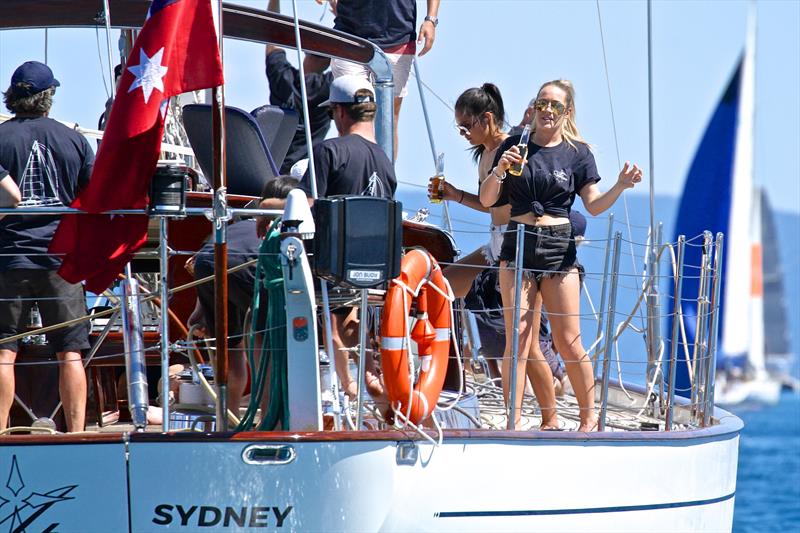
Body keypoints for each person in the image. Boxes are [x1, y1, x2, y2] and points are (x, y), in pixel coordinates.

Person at [480, 79, 642, 431]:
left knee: (568, 340)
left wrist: (620, 185)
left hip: (558, 246)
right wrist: (499, 169)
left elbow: (594, 205)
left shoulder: (577, 153)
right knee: (517, 339)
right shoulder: (514, 146)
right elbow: (487, 199)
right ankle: (515, 419)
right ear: (535, 107)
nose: (547, 111)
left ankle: (588, 420)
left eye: (555, 105)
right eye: (542, 103)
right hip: (518, 243)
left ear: (567, 112)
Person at [258, 75, 396, 402]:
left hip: (331, 271)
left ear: (340, 111)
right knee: (352, 328)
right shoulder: (385, 161)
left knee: (327, 321)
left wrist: (266, 204)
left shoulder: (328, 151)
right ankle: (372, 384)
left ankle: (343, 388)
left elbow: (305, 205)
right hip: (373, 272)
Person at [0, 61, 95, 432]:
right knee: (69, 352)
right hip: (62, 261)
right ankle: (76, 433)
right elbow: (93, 197)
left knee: (4, 352)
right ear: (48, 97)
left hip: (8, 258)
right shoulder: (73, 140)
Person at [188, 176, 299, 412]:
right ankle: (271, 420)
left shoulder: (240, 226)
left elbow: (211, 259)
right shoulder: (288, 230)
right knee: (267, 340)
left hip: (208, 262)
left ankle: (225, 418)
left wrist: (200, 312)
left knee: (230, 348)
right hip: (247, 265)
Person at [319, 0, 440, 159]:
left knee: (389, 117)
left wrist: (431, 19)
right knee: (349, 112)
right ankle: (351, 175)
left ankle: (384, 176)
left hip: (398, 36)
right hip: (349, 34)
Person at [266, 0, 333, 174]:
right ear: (331, 60)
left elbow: (272, 33)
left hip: (272, 169)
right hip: (307, 174)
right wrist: (342, 13)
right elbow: (354, 62)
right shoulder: (328, 89)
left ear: (306, 50)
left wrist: (274, 1)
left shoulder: (282, 76)